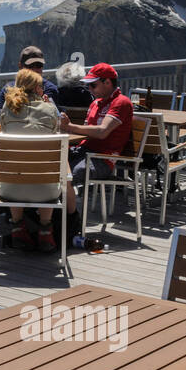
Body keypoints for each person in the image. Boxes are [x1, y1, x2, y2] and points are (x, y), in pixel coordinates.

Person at [0, 69, 80, 252]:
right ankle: (45, 230)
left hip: (9, 189)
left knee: (18, 167)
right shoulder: (49, 109)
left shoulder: (7, 109)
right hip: (46, 191)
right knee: (49, 169)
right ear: (37, 88)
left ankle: (17, 227)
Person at [58, 63, 133, 247]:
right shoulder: (95, 102)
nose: (89, 89)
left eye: (93, 85)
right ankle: (55, 227)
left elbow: (101, 132)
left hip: (102, 160)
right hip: (85, 152)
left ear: (107, 82)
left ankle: (68, 230)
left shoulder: (121, 103)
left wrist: (69, 128)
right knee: (51, 170)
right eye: (88, 85)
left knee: (66, 178)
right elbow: (88, 134)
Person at [0, 46, 59, 117]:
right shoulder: (8, 88)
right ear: (20, 66)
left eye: (39, 65)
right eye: (31, 65)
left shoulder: (49, 89)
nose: (35, 69)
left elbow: (54, 118)